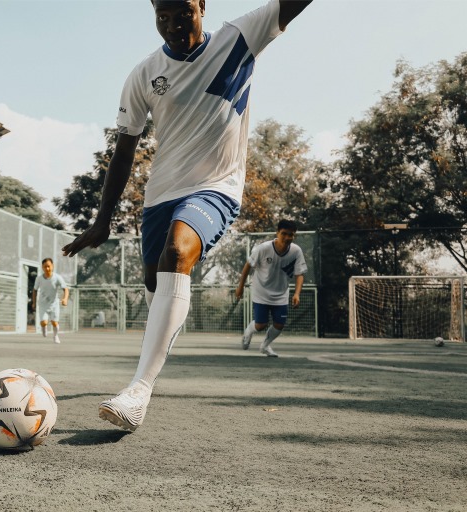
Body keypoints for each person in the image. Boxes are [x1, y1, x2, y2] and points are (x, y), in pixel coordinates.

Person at [62, 0, 313, 431]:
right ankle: (164, 330)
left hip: (216, 187)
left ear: (202, 6)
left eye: (184, 14)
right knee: (154, 283)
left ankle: (139, 390)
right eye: (163, 16)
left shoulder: (240, 38)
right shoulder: (143, 75)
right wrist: (103, 219)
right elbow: (124, 153)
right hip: (160, 194)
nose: (173, 25)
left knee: (178, 252)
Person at [235, 219, 307, 357]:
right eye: (284, 234)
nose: (287, 238)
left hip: (281, 294)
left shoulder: (296, 251)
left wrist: (297, 294)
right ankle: (248, 332)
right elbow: (247, 267)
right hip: (261, 291)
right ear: (277, 233)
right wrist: (240, 287)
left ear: (294, 236)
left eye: (290, 235)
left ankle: (265, 346)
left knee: (279, 325)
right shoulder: (263, 248)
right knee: (261, 325)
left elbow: (299, 274)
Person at [31, 258, 69, 344]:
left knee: (55, 323)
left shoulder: (57, 277)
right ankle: (44, 328)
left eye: (49, 266)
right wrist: (34, 302)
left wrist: (65, 299)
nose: (47, 269)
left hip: (54, 304)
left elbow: (65, 289)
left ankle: (55, 336)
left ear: (52, 266)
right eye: (45, 267)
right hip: (43, 304)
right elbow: (35, 290)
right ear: (42, 267)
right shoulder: (39, 279)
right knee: (44, 322)